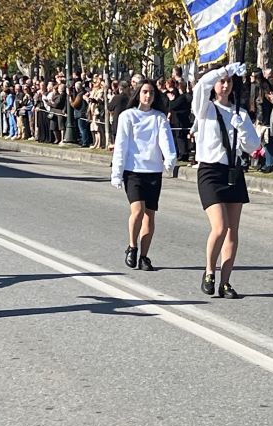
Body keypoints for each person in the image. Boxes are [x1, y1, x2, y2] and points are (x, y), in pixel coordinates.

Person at [192, 62, 261, 299]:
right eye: (222, 81)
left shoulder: (239, 113)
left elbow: (253, 146)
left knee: (232, 231)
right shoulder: (205, 108)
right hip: (210, 171)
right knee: (219, 227)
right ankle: (209, 271)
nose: (225, 85)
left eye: (229, 81)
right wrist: (224, 70)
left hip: (233, 171)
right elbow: (201, 85)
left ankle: (225, 282)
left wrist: (243, 129)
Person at [110, 80, 177, 271]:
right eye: (145, 92)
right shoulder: (127, 116)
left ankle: (144, 257)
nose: (148, 96)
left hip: (153, 171)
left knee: (149, 215)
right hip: (133, 171)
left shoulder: (159, 117)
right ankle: (132, 246)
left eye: (151, 93)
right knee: (137, 211)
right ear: (138, 93)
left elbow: (166, 140)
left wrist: (169, 159)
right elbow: (121, 145)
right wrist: (117, 173)